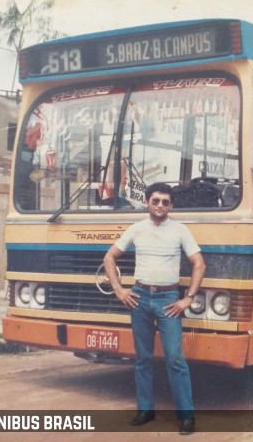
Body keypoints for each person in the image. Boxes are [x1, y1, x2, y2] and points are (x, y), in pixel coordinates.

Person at [103, 182, 206, 435]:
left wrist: (188, 298)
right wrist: (119, 289)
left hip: (168, 300)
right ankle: (145, 410)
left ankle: (186, 417)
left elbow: (199, 264)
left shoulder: (180, 230)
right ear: (147, 202)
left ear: (172, 206)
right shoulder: (137, 229)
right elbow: (109, 257)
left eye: (165, 202)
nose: (160, 205)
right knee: (143, 358)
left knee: (175, 358)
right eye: (155, 200)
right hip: (139, 298)